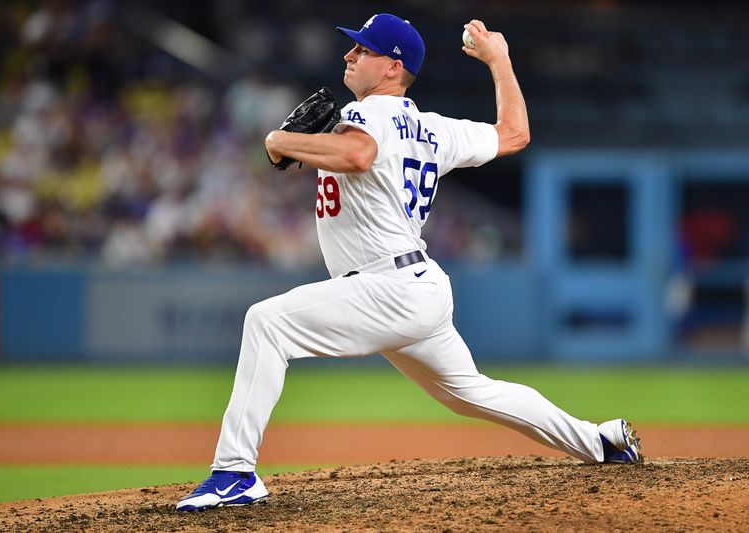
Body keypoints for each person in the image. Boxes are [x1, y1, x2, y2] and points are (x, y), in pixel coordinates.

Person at [177, 13, 641, 512]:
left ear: (393, 67)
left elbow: (359, 154)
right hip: (416, 287)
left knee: (266, 323)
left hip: (386, 285)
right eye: (353, 47)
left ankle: (234, 473)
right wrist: (500, 61)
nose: (349, 55)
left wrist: (279, 142)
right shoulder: (434, 128)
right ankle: (599, 440)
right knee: (471, 393)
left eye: (363, 50)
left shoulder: (367, 114)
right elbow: (514, 133)